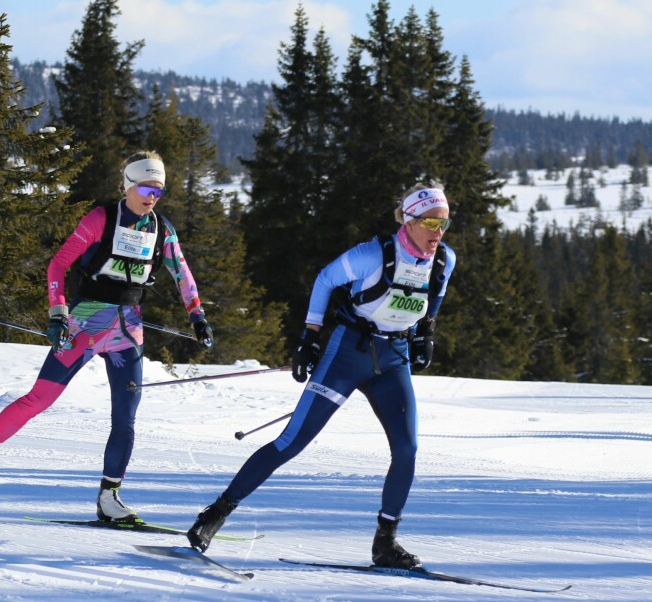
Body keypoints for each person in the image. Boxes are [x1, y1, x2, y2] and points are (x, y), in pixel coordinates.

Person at [187, 182, 456, 568]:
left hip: (392, 359)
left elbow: (437, 295)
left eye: (444, 223)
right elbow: (325, 279)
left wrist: (426, 331)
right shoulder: (372, 255)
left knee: (408, 449)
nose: (438, 232)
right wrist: (310, 338)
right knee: (292, 442)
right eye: (430, 222)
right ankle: (215, 514)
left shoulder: (445, 259)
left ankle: (386, 542)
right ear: (409, 219)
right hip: (349, 353)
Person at [0, 150, 213, 523]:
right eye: (145, 187)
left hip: (128, 332)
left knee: (125, 418)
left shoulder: (162, 230)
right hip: (84, 324)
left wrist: (197, 316)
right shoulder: (101, 218)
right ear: (127, 185)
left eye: (158, 189)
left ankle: (110, 497)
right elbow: (58, 263)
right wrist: (58, 313)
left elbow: (182, 274)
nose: (152, 195)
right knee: (40, 398)